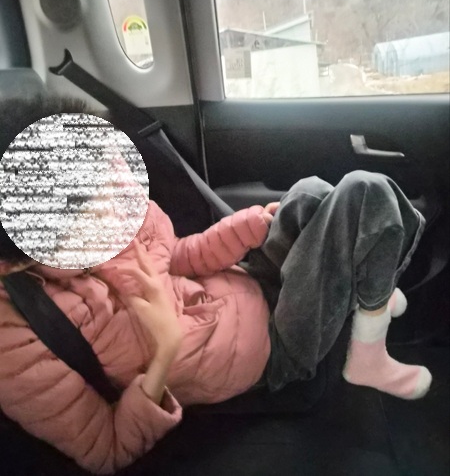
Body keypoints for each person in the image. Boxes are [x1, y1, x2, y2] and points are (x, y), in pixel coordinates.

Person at [0, 95, 431, 475]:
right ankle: (368, 349)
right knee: (364, 194)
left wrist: (243, 229)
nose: (118, 213)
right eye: (95, 213)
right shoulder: (19, 335)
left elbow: (177, 256)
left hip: (248, 285)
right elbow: (107, 450)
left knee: (309, 194)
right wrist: (165, 348)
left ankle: (367, 292)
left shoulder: (107, 214)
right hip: (270, 350)